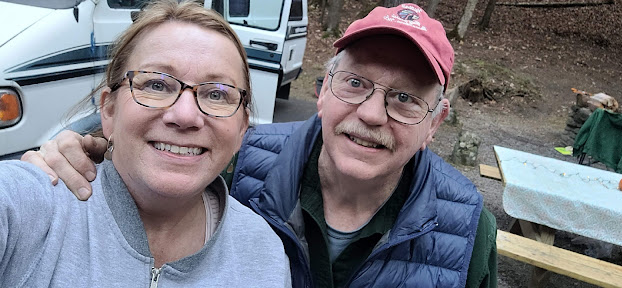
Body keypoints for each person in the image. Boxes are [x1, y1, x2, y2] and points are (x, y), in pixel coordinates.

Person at [23, 3, 497, 288]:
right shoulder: (242, 160)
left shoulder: (469, 231)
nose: (372, 114)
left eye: (405, 98)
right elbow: (158, 148)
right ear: (323, 90)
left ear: (436, 122)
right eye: (355, 83)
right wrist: (83, 149)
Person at [2, 1, 291, 287]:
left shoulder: (264, 253)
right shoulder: (30, 208)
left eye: (216, 94)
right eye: (156, 85)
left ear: (241, 130)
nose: (185, 116)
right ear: (109, 111)